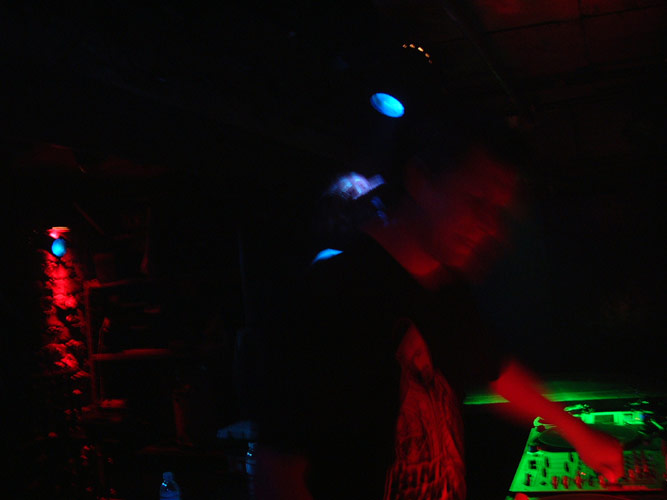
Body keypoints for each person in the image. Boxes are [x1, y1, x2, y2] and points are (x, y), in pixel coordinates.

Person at [254, 124, 624, 500]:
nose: (490, 227)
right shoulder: (329, 293)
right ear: (421, 180)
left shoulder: (448, 289)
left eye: (498, 211)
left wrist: (580, 433)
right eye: (476, 200)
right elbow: (278, 473)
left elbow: (496, 370)